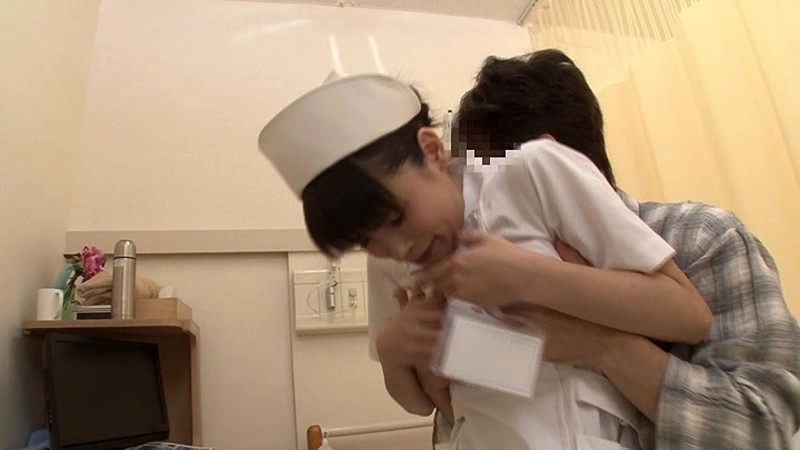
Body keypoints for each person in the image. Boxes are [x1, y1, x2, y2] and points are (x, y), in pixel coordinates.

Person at [259, 66, 714, 448]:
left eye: (398, 217)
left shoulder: (534, 173)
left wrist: (528, 277)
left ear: (432, 151)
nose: (397, 249)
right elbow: (433, 401)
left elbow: (688, 317)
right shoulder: (393, 266)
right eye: (367, 242)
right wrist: (396, 354)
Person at [370, 49, 800, 449]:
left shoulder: (701, 238)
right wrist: (436, 365)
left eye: (492, 188)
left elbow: (766, 431)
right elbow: (497, 409)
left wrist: (603, 345)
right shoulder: (464, 269)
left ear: (559, 164)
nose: (479, 215)